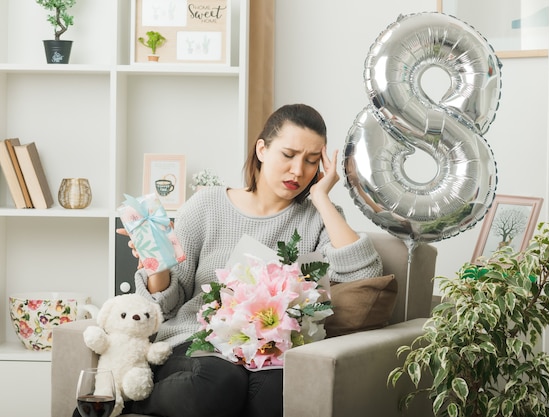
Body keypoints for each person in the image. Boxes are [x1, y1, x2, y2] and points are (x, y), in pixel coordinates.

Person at [81, 103, 383, 417]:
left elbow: (366, 276)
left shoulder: (317, 219)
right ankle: (130, 399)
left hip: (268, 353)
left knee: (276, 396)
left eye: (310, 161)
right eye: (289, 155)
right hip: (197, 344)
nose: (298, 171)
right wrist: (157, 265)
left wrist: (322, 198)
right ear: (262, 149)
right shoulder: (207, 205)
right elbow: (165, 306)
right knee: (218, 382)